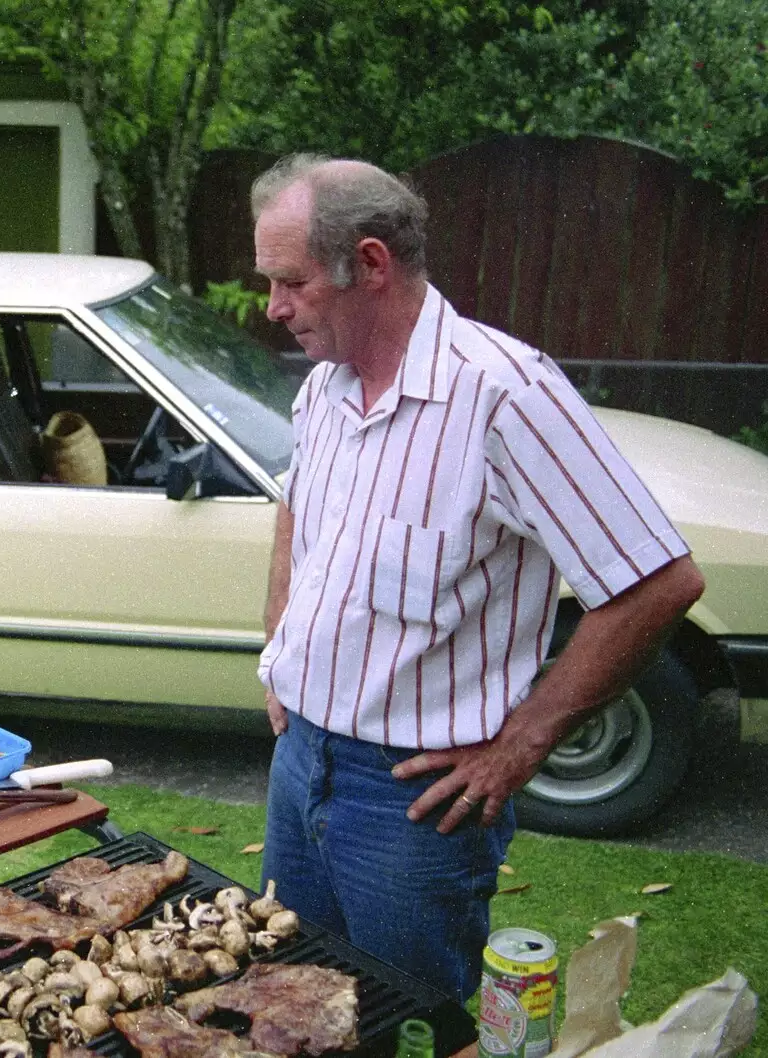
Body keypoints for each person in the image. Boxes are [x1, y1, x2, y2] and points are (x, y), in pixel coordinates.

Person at [251, 154, 705, 999]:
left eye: (291, 282)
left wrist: (518, 747)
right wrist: (281, 646)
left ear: (372, 264)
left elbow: (657, 582)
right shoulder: (324, 389)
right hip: (297, 760)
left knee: (414, 1022)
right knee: (289, 995)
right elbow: (295, 507)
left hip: (414, 804)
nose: (273, 307)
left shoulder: (504, 394)